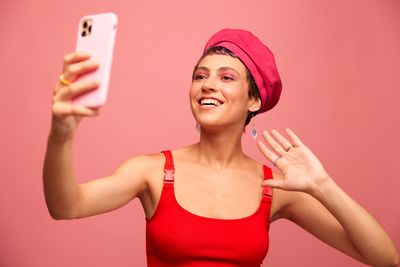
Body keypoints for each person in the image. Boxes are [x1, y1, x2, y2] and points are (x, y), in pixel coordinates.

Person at [43, 28, 399, 266]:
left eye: (226, 77)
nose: (207, 85)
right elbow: (66, 206)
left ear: (254, 101)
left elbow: (385, 259)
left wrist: (323, 186)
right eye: (200, 75)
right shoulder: (151, 171)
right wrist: (61, 134)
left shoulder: (275, 188)